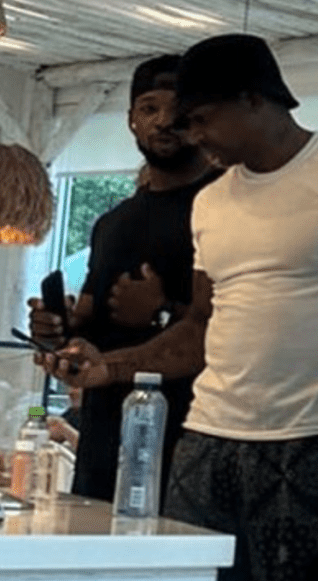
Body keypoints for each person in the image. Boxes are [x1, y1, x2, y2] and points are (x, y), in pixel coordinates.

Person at [43, 34, 318, 581]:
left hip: (312, 433)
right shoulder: (211, 202)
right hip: (206, 432)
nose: (191, 135)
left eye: (201, 119)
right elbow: (199, 327)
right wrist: (107, 368)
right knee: (175, 574)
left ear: (253, 98)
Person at [30, 54, 218, 503]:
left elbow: (234, 323)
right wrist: (58, 331)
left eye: (177, 109)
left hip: (187, 427)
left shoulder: (223, 205)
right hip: (103, 422)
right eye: (149, 109)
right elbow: (90, 318)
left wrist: (161, 311)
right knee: (91, 540)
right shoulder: (113, 222)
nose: (164, 121)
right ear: (131, 119)